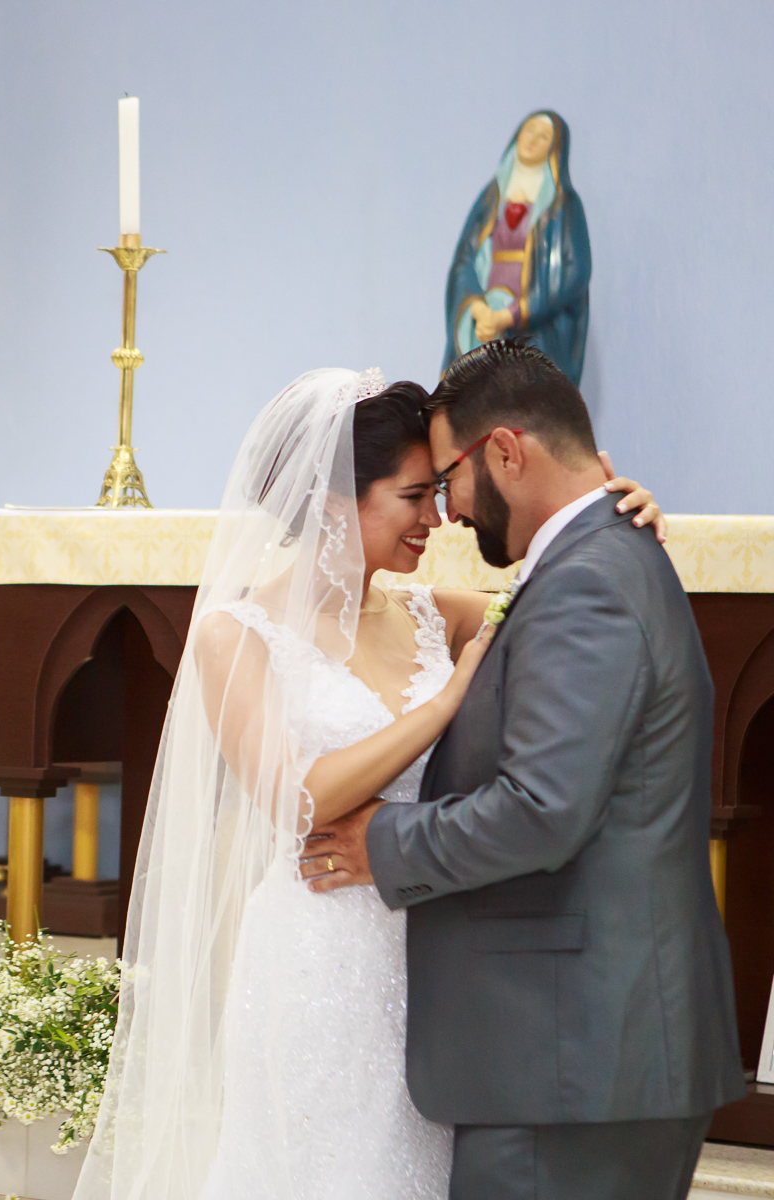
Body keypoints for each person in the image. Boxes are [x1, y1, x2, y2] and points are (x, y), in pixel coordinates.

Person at [71, 365, 662, 1200]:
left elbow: (551, 597)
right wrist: (443, 703)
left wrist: (608, 512)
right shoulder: (235, 634)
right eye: (413, 496)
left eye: (436, 492)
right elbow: (295, 798)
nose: (438, 517)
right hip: (318, 956)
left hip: (435, 948)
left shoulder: (431, 612)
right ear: (329, 503)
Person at [302, 342, 746, 1200]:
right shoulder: (597, 559)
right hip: (571, 1055)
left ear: (506, 451)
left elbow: (543, 807)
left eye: (450, 479)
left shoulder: (589, 582)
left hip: (572, 1062)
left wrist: (380, 843)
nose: (449, 512)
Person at [443, 110, 590, 384]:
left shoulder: (564, 206)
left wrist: (510, 315)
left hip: (533, 334)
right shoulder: (491, 197)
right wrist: (478, 308)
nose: (532, 140)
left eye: (544, 137)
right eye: (529, 130)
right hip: (482, 329)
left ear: (554, 149)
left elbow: (574, 274)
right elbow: (464, 259)